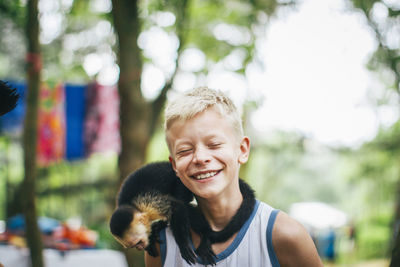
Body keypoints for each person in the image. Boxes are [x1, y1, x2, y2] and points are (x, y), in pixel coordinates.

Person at [145, 86, 323, 266]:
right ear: (174, 164)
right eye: (185, 150)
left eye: (214, 144)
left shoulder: (284, 235)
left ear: (243, 150)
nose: (200, 158)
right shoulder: (161, 244)